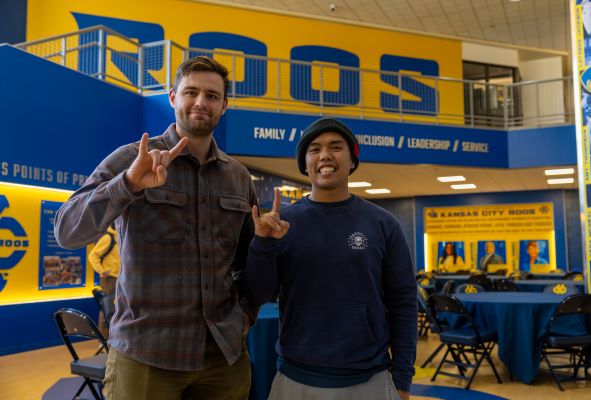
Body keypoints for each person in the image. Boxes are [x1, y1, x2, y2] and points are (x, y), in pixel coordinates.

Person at [54, 56, 257, 400]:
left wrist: (245, 315)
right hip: (145, 355)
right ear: (172, 97)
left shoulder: (238, 177)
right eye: (191, 92)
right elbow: (67, 231)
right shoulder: (132, 159)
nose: (200, 102)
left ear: (224, 105)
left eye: (211, 95)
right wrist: (129, 183)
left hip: (223, 358)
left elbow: (246, 260)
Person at [245, 118, 417, 400]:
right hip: (295, 378)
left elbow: (404, 303)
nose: (325, 155)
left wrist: (402, 378)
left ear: (352, 160)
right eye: (314, 149)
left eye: (336, 147)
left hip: (369, 379)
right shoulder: (281, 224)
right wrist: (262, 243)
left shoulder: (383, 224)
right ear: (305, 164)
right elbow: (257, 294)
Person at [88, 223, 120, 337]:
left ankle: (115, 338)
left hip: (121, 279)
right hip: (110, 280)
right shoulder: (108, 237)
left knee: (118, 310)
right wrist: (101, 270)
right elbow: (93, 255)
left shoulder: (121, 236)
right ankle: (103, 341)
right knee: (107, 309)